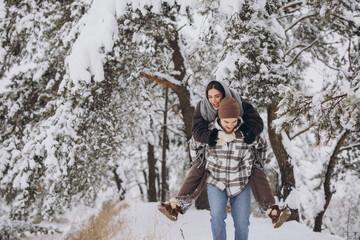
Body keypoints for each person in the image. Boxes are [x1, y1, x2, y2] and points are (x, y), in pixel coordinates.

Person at [158, 81, 290, 229]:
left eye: (217, 96)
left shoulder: (240, 104)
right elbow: (196, 132)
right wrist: (215, 136)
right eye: (210, 96)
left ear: (224, 94)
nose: (214, 101)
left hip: (241, 151)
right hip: (212, 148)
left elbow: (257, 124)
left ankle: (272, 210)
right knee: (200, 165)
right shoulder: (203, 107)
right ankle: (177, 205)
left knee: (255, 168)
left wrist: (241, 133)